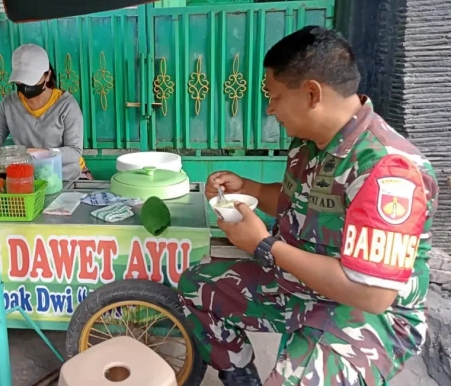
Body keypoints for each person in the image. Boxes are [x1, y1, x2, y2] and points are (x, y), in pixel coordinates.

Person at [178, 26, 439, 386]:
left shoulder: (386, 169)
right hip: (300, 284)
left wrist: (263, 245)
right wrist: (248, 187)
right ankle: (242, 379)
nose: (269, 108)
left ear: (312, 93)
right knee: (197, 286)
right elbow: (294, 203)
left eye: (274, 96)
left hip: (363, 314)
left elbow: (373, 295)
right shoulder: (308, 145)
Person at [0, 43, 93, 181]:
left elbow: (74, 152)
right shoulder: (8, 104)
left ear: (47, 75)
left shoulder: (66, 105)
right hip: (28, 180)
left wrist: (43, 154)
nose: (26, 86)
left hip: (66, 178)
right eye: (21, 81)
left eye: (31, 80)